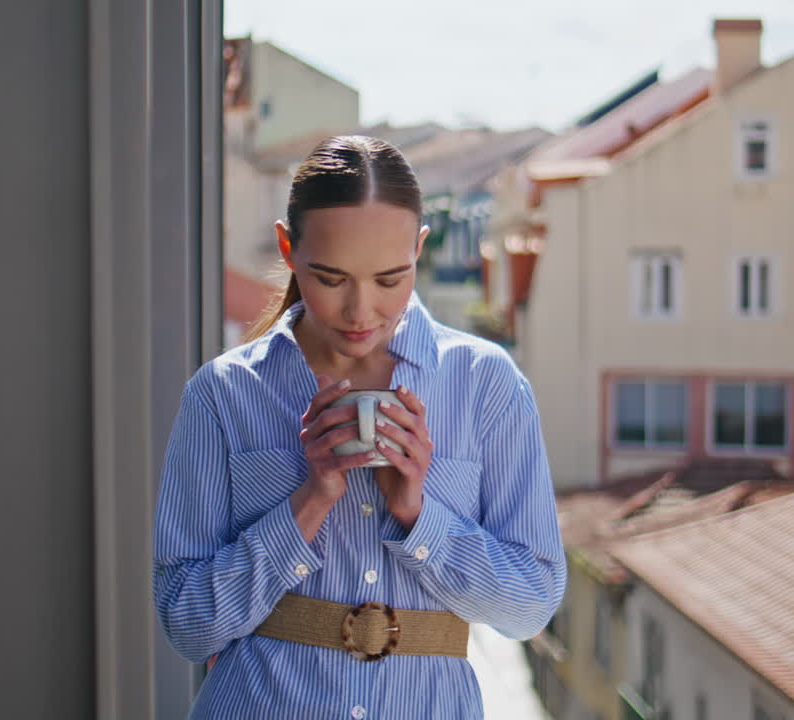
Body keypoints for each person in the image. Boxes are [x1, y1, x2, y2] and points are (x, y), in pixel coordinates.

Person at [153, 135, 565, 719]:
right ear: (287, 248)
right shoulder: (225, 392)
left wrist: (421, 517)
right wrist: (308, 502)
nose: (360, 311)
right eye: (331, 278)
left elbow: (531, 606)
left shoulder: (484, 383)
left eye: (390, 279)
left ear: (419, 250)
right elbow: (186, 624)